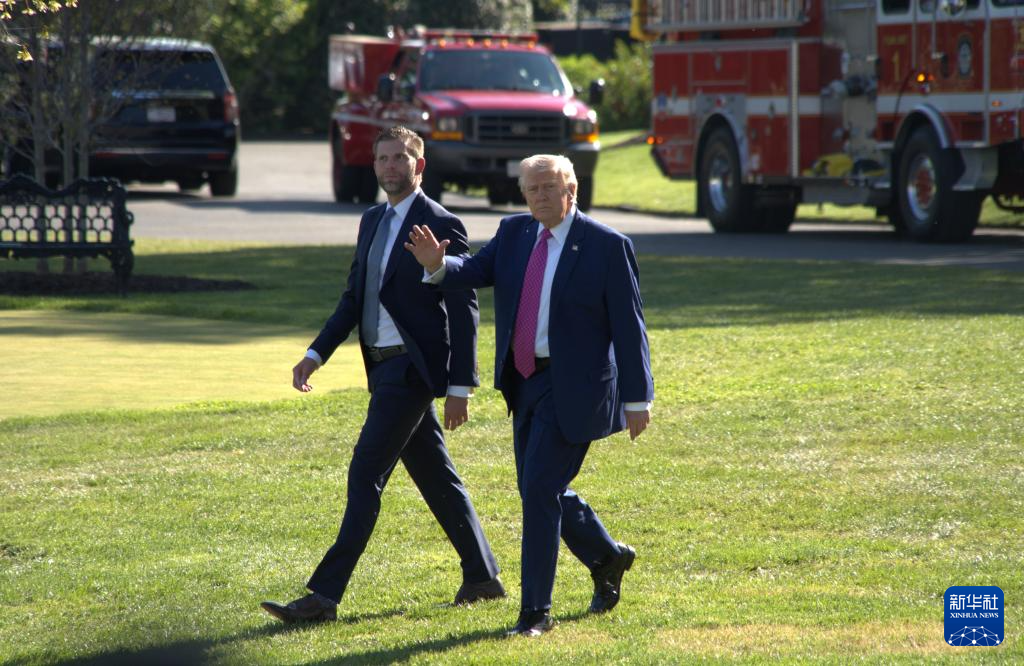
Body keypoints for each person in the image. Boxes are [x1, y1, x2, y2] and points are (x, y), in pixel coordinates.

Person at [261, 126, 504, 624]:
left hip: (411, 371)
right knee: (436, 475)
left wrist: (460, 386)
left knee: (364, 473)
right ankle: (483, 578)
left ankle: (324, 597)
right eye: (383, 158)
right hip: (382, 366)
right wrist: (316, 352)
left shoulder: (441, 222)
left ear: (420, 165)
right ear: (373, 165)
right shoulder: (371, 219)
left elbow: (464, 308)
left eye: (401, 158)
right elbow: (355, 298)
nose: (391, 166)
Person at [404, 154, 654, 637]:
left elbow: (630, 325)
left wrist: (638, 398)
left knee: (538, 489)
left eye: (548, 187)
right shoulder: (515, 232)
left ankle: (535, 613)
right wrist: (437, 264)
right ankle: (605, 555)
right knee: (541, 488)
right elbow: (475, 270)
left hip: (576, 386)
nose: (539, 196)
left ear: (571, 190)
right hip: (524, 381)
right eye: (531, 188)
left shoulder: (606, 246)